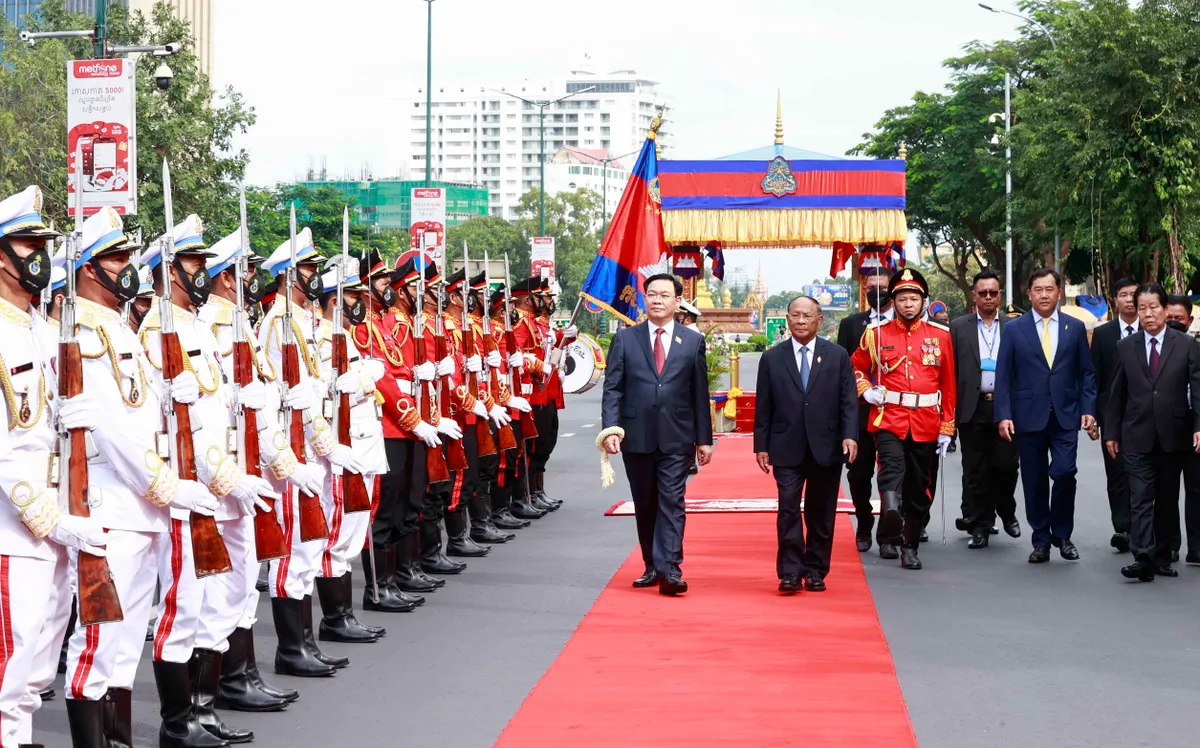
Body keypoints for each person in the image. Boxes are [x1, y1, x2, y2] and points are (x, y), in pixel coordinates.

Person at [140, 214, 281, 745]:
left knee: (218, 603)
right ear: (169, 270)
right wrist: (223, 476)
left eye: (203, 261)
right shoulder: (157, 331)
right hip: (186, 489)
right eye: (194, 262)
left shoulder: (199, 327)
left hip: (220, 483)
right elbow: (176, 423)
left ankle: (202, 711)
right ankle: (178, 725)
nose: (204, 271)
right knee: (184, 608)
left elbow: (217, 410)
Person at [600, 274, 714, 595]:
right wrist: (610, 429)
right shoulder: (626, 338)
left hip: (677, 436)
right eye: (651, 294)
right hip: (635, 435)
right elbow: (613, 388)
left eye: (664, 295)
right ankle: (652, 564)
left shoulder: (691, 341)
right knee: (646, 502)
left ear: (678, 301)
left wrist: (704, 439)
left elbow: (698, 394)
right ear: (644, 299)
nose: (657, 300)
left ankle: (671, 569)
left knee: (672, 501)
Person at [850, 268, 956, 570]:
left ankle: (909, 545)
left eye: (913, 298)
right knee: (891, 470)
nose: (908, 304)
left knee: (920, 487)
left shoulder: (941, 336)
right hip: (889, 418)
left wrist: (948, 426)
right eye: (902, 298)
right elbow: (854, 368)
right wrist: (866, 390)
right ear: (893, 301)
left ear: (923, 301)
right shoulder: (876, 334)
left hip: (927, 421)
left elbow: (948, 385)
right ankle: (891, 517)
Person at [753, 296, 858, 593]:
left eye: (807, 316)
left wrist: (850, 435)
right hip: (786, 445)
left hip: (827, 446)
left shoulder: (837, 356)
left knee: (820, 511)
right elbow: (764, 405)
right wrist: (761, 445)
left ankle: (815, 569)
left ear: (819, 320)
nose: (800, 321)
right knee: (787, 508)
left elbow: (848, 400)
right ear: (787, 319)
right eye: (795, 315)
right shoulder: (773, 358)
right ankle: (789, 571)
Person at [995, 268, 1098, 564]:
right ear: (1029, 294)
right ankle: (1040, 539)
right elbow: (1004, 376)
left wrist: (1089, 409)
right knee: (1034, 478)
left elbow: (1086, 373)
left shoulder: (1074, 328)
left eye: (1049, 289)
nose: (1043, 294)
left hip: (1065, 415)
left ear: (1059, 293)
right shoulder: (1014, 329)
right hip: (1027, 416)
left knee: (1065, 472)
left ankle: (1062, 534)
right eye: (1037, 289)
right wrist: (1003, 415)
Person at [1103, 283, 1200, 581]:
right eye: (1142, 308)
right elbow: (1116, 393)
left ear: (1165, 308)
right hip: (1136, 434)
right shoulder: (1125, 346)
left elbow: (1197, 390)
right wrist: (1111, 432)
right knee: (1140, 496)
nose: (1147, 314)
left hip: (1174, 435)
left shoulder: (1185, 345)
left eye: (1153, 308)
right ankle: (1142, 557)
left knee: (1166, 497)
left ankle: (1160, 556)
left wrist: (1199, 427)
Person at [949, 269, 1021, 549]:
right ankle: (980, 525)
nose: (988, 297)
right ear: (974, 296)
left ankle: (1006, 509)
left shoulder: (1014, 326)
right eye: (983, 293)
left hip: (1006, 408)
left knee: (1006, 465)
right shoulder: (958, 327)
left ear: (1000, 295)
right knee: (975, 469)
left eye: (993, 292)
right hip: (972, 407)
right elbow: (951, 369)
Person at [836, 267, 894, 555]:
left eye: (882, 286)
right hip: (859, 415)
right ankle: (863, 523)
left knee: (892, 476)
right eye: (872, 286)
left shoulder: (906, 323)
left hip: (896, 415)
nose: (877, 291)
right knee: (858, 475)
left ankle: (887, 533)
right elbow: (842, 371)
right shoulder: (851, 324)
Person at [1090, 276, 1139, 553]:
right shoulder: (1103, 333)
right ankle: (1122, 528)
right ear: (1115, 299)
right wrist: (1095, 417)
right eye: (1123, 294)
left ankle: (1140, 528)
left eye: (1134, 294)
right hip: (1113, 417)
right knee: (1117, 474)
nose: (1129, 299)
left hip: (1146, 415)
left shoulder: (1151, 329)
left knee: (1143, 474)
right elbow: (1095, 376)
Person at [1165, 295, 1198, 563]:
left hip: (1195, 430)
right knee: (1166, 491)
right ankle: (1169, 545)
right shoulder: (1155, 351)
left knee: (1197, 490)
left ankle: (1196, 547)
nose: (1174, 322)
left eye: (1179, 319)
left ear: (1190, 321)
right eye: (1170, 318)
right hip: (1166, 432)